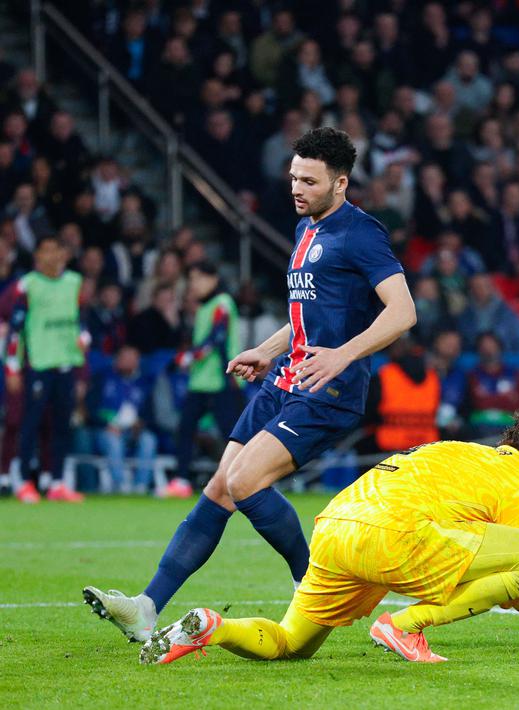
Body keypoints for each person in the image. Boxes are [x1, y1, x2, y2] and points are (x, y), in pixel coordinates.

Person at [84, 127, 416, 643]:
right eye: (293, 178)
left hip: (328, 390)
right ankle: (147, 606)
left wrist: (341, 356)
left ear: (342, 182)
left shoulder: (361, 233)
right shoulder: (308, 229)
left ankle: (315, 585)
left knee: (245, 483)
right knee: (220, 487)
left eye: (310, 180)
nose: (297, 188)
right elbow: (309, 315)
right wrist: (266, 350)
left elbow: (403, 312)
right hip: (285, 379)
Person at [139, 395, 519, 665]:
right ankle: (405, 626)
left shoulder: (464, 450)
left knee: (291, 645)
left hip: (336, 527)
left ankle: (214, 627)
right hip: (393, 534)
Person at [3, 234, 87, 503]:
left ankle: (57, 482)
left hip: (66, 362)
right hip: (39, 363)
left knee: (63, 424)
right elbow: (15, 329)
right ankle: (24, 480)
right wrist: (12, 367)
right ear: (37, 256)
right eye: (45, 251)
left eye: (56, 250)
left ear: (64, 254)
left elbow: (80, 318)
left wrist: (84, 337)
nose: (51, 256)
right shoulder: (27, 285)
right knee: (31, 423)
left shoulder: (74, 282)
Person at [172, 261, 242, 495]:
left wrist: (188, 356)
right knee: (185, 429)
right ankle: (181, 481)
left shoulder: (222, 303)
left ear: (212, 279)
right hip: (201, 381)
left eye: (197, 278)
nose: (193, 284)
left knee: (232, 435)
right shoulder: (204, 307)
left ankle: (246, 481)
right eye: (191, 279)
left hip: (223, 380)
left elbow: (216, 338)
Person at [92, 345, 157, 494]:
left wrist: (140, 424)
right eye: (125, 358)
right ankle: (120, 485)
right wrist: (106, 424)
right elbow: (90, 409)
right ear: (117, 360)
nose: (128, 362)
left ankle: (141, 486)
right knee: (113, 441)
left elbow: (150, 414)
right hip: (106, 430)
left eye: (132, 359)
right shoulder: (102, 378)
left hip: (134, 431)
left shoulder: (144, 382)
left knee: (149, 439)